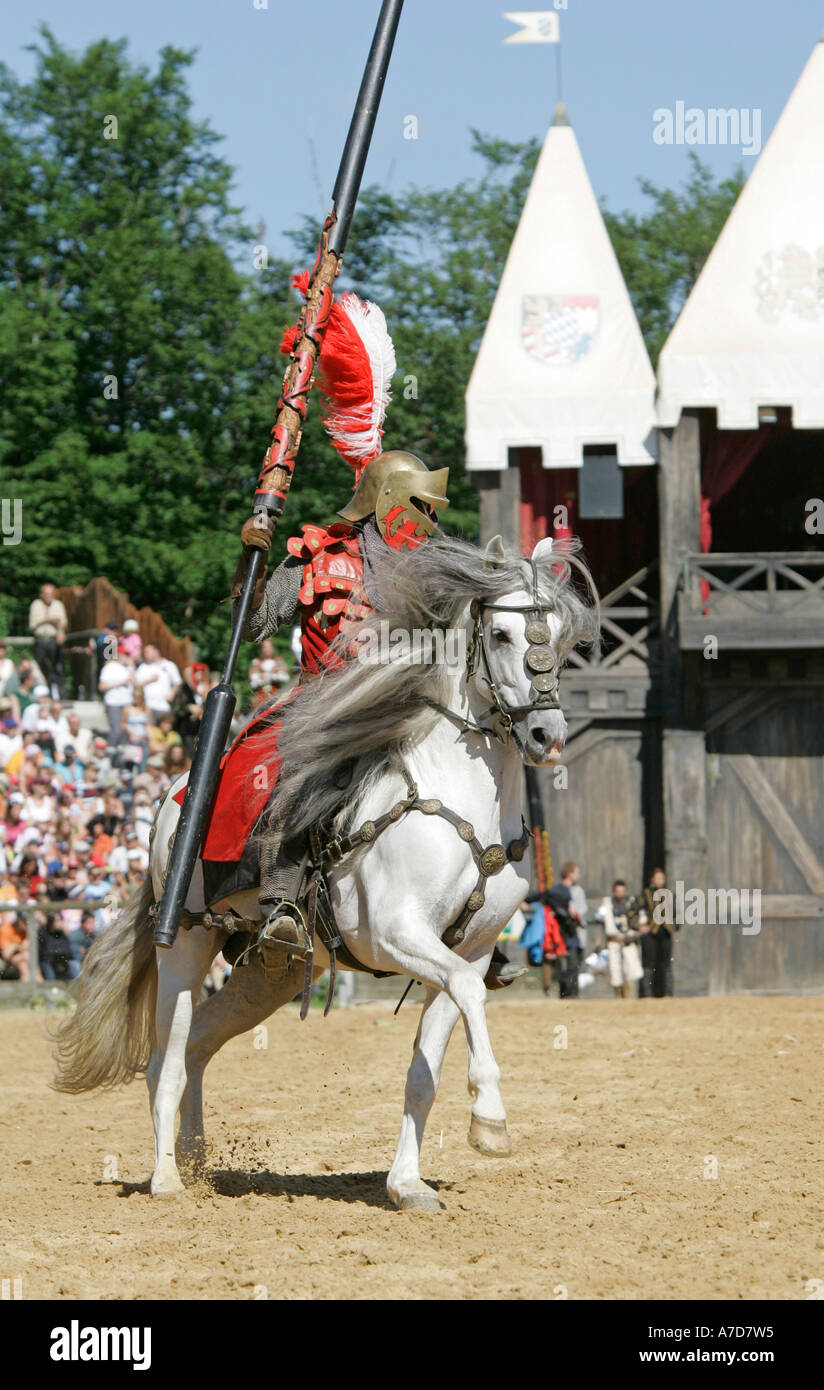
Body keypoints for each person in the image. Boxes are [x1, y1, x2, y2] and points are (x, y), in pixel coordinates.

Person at [630, 867, 678, 997]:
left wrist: (675, 924)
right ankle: (647, 994)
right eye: (657, 878)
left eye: (662, 878)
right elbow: (632, 912)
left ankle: (668, 994)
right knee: (648, 965)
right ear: (652, 879)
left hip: (666, 932)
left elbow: (676, 913)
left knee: (666, 964)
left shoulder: (669, 895)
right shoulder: (645, 895)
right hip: (651, 933)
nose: (660, 881)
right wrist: (639, 926)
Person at [596, 879, 643, 999]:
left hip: (628, 941)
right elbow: (599, 917)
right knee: (615, 969)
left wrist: (636, 932)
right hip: (614, 941)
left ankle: (629, 996)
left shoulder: (632, 904)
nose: (620, 894)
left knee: (630, 969)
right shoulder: (607, 905)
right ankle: (618, 996)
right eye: (618, 891)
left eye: (622, 891)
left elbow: (641, 921)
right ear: (614, 891)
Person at [545, 861, 583, 998]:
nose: (579, 875)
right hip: (560, 935)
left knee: (574, 965)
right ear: (569, 874)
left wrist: (576, 914)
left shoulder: (578, 891)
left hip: (573, 935)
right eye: (576, 872)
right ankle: (564, 995)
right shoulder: (557, 890)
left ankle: (573, 995)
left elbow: (582, 910)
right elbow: (551, 908)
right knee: (563, 967)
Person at [28, 582, 68, 697]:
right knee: (39, 668)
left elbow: (62, 623)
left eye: (51, 594)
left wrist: (60, 632)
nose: (49, 596)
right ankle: (41, 694)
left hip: (54, 640)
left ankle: (62, 696)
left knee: (58, 668)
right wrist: (50, 620)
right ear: (41, 594)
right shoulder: (36, 604)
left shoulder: (58, 605)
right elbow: (33, 625)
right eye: (46, 594)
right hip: (40, 640)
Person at [135, 644, 181, 724]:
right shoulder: (143, 667)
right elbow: (136, 684)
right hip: (148, 707)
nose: (145, 654)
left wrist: (172, 692)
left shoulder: (169, 665)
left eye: (147, 652)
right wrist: (149, 680)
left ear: (156, 651)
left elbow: (177, 682)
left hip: (164, 707)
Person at [98, 649, 134, 749]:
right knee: (116, 730)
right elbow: (101, 686)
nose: (127, 657)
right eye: (125, 654)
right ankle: (108, 754)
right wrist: (121, 683)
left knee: (125, 731)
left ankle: (120, 758)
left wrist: (132, 666)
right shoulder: (110, 667)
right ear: (118, 654)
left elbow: (136, 683)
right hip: (113, 703)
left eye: (128, 655)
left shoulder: (129, 668)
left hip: (127, 703)